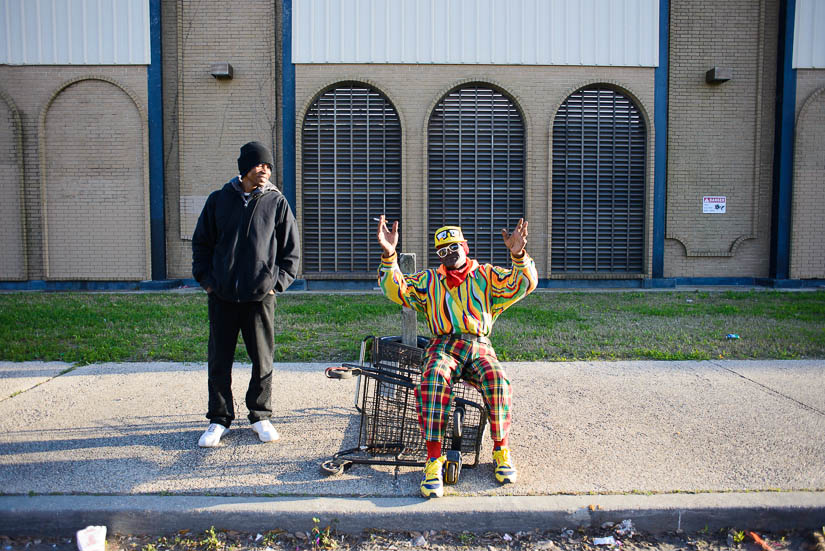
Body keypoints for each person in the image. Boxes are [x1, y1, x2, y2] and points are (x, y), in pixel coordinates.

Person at [376, 215, 537, 498]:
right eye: (442, 251)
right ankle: (434, 461)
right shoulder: (429, 280)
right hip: (443, 345)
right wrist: (390, 255)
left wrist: (518, 255)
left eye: (453, 248)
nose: (448, 255)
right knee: (433, 380)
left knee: (498, 380)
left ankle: (501, 450)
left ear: (465, 246)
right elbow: (396, 288)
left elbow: (522, 284)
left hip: (478, 344)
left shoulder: (486, 275)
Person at [191, 141, 300, 448]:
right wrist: (208, 281)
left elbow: (291, 252)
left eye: (268, 166)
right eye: (259, 165)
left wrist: (274, 284)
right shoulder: (218, 201)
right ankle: (219, 419)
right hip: (222, 297)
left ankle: (260, 416)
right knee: (219, 360)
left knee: (262, 360)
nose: (264, 170)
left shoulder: (276, 203)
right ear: (245, 168)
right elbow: (202, 244)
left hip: (259, 298)